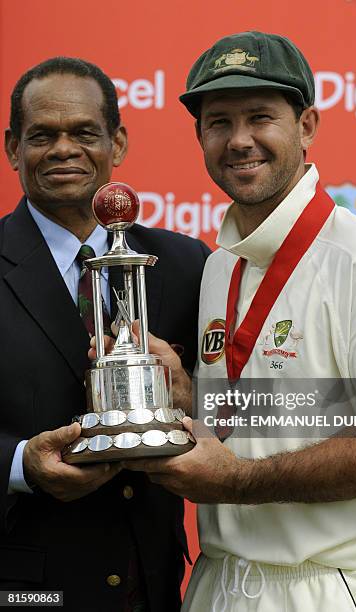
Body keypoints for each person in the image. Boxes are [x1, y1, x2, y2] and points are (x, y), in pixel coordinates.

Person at [122, 32, 356, 611]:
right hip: (220, 581)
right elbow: (282, 416)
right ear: (199, 137)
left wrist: (238, 483)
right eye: (219, 122)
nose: (240, 140)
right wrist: (192, 396)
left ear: (308, 125)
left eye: (260, 117)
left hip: (332, 586)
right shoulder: (221, 265)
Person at [0, 57, 209, 612]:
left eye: (84, 133)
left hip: (153, 586)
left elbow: (241, 406)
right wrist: (20, 466)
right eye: (43, 134)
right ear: (11, 147)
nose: (64, 149)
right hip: (26, 591)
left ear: (117, 144)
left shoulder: (187, 264)